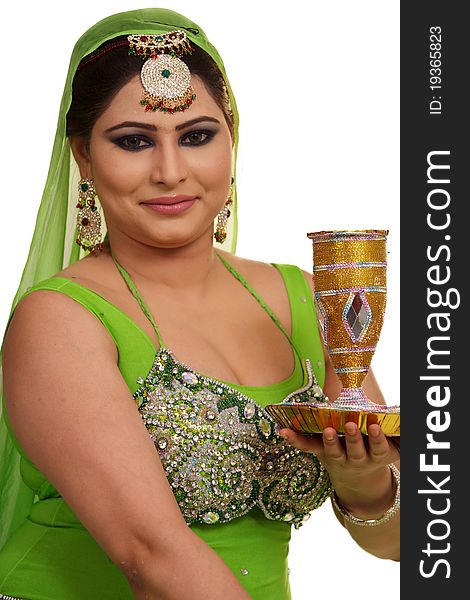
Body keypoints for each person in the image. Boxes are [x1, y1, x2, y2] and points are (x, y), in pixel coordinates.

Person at [0, 7, 400, 599]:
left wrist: (364, 480)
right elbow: (154, 556)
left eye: (197, 136)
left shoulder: (302, 297)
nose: (170, 171)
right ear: (84, 157)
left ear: (231, 140)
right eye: (134, 141)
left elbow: (395, 541)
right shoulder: (61, 319)